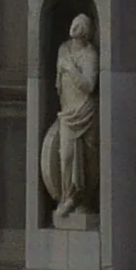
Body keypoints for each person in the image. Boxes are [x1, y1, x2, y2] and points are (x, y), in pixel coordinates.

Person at [40, 13, 101, 223]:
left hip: (86, 111)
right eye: (74, 23)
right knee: (65, 155)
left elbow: (89, 85)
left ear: (87, 32)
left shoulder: (90, 54)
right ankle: (68, 197)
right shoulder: (63, 49)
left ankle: (83, 199)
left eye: (80, 25)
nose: (75, 27)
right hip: (67, 112)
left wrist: (70, 68)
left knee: (88, 158)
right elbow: (58, 83)